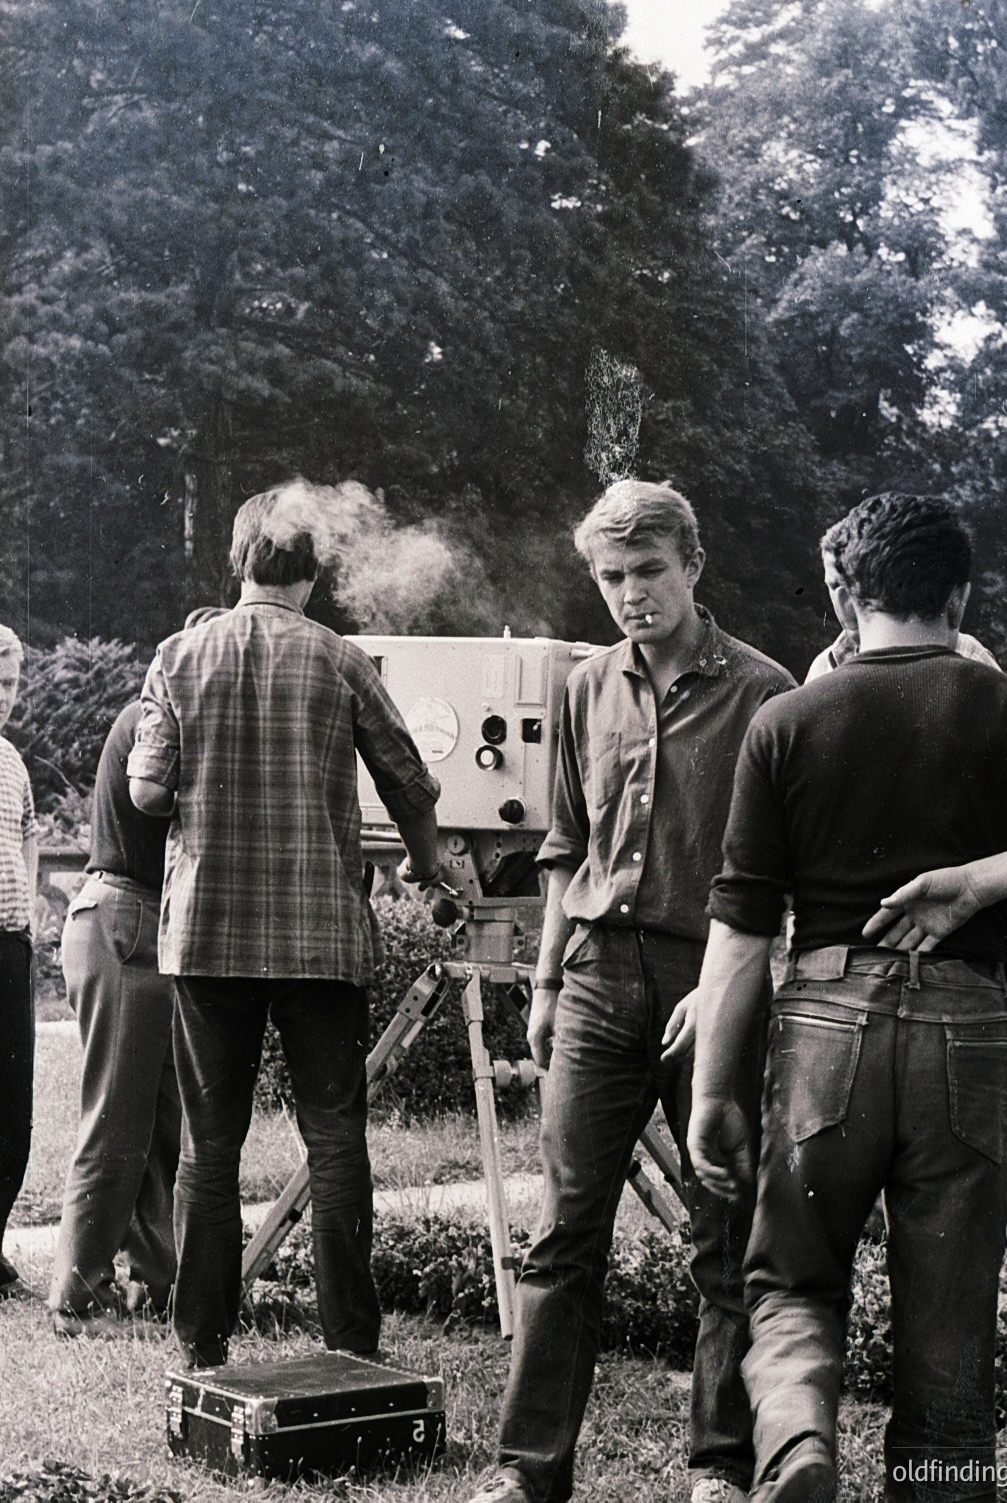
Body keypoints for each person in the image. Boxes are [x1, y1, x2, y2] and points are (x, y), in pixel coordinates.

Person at [688, 493, 1007, 1503]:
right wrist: (981, 880)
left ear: (847, 592)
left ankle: (795, 1440)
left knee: (790, 1273)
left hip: (828, 1020)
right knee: (950, 1321)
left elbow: (741, 931)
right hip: (966, 1023)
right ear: (958, 591)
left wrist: (711, 1091)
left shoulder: (784, 719)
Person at [470, 480, 795, 1503]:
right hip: (600, 975)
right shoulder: (583, 687)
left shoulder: (764, 691)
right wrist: (546, 974)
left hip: (714, 977)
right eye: (610, 577)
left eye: (646, 571)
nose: (628, 593)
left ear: (692, 564)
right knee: (565, 1228)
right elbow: (564, 845)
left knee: (723, 1223)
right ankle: (528, 1472)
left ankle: (718, 1466)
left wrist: (731, 979)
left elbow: (780, 875)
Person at [127, 487, 442, 1369]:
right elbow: (411, 782)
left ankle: (202, 1347)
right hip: (320, 940)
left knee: (210, 1145)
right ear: (311, 571)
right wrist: (423, 862)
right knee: (335, 1139)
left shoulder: (179, 655)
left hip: (209, 935)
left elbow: (146, 792)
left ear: (239, 565)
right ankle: (352, 1347)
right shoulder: (340, 659)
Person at [808, 543, 1007, 957]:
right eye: (830, 586)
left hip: (956, 899)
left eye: (848, 585)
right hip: (858, 913)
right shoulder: (823, 671)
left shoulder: (966, 655)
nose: (840, 600)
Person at [49, 699, 179, 1335]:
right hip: (126, 918)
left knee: (160, 1117)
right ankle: (76, 1299)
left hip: (143, 921)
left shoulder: (157, 714)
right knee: (117, 1119)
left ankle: (157, 1287)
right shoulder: (157, 717)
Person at [0, 626, 37, 1301]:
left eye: (9, 683)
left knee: (12, 1109)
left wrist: (32, 911)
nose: (2, 696)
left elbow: (30, 831)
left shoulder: (11, 760)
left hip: (11, 944)